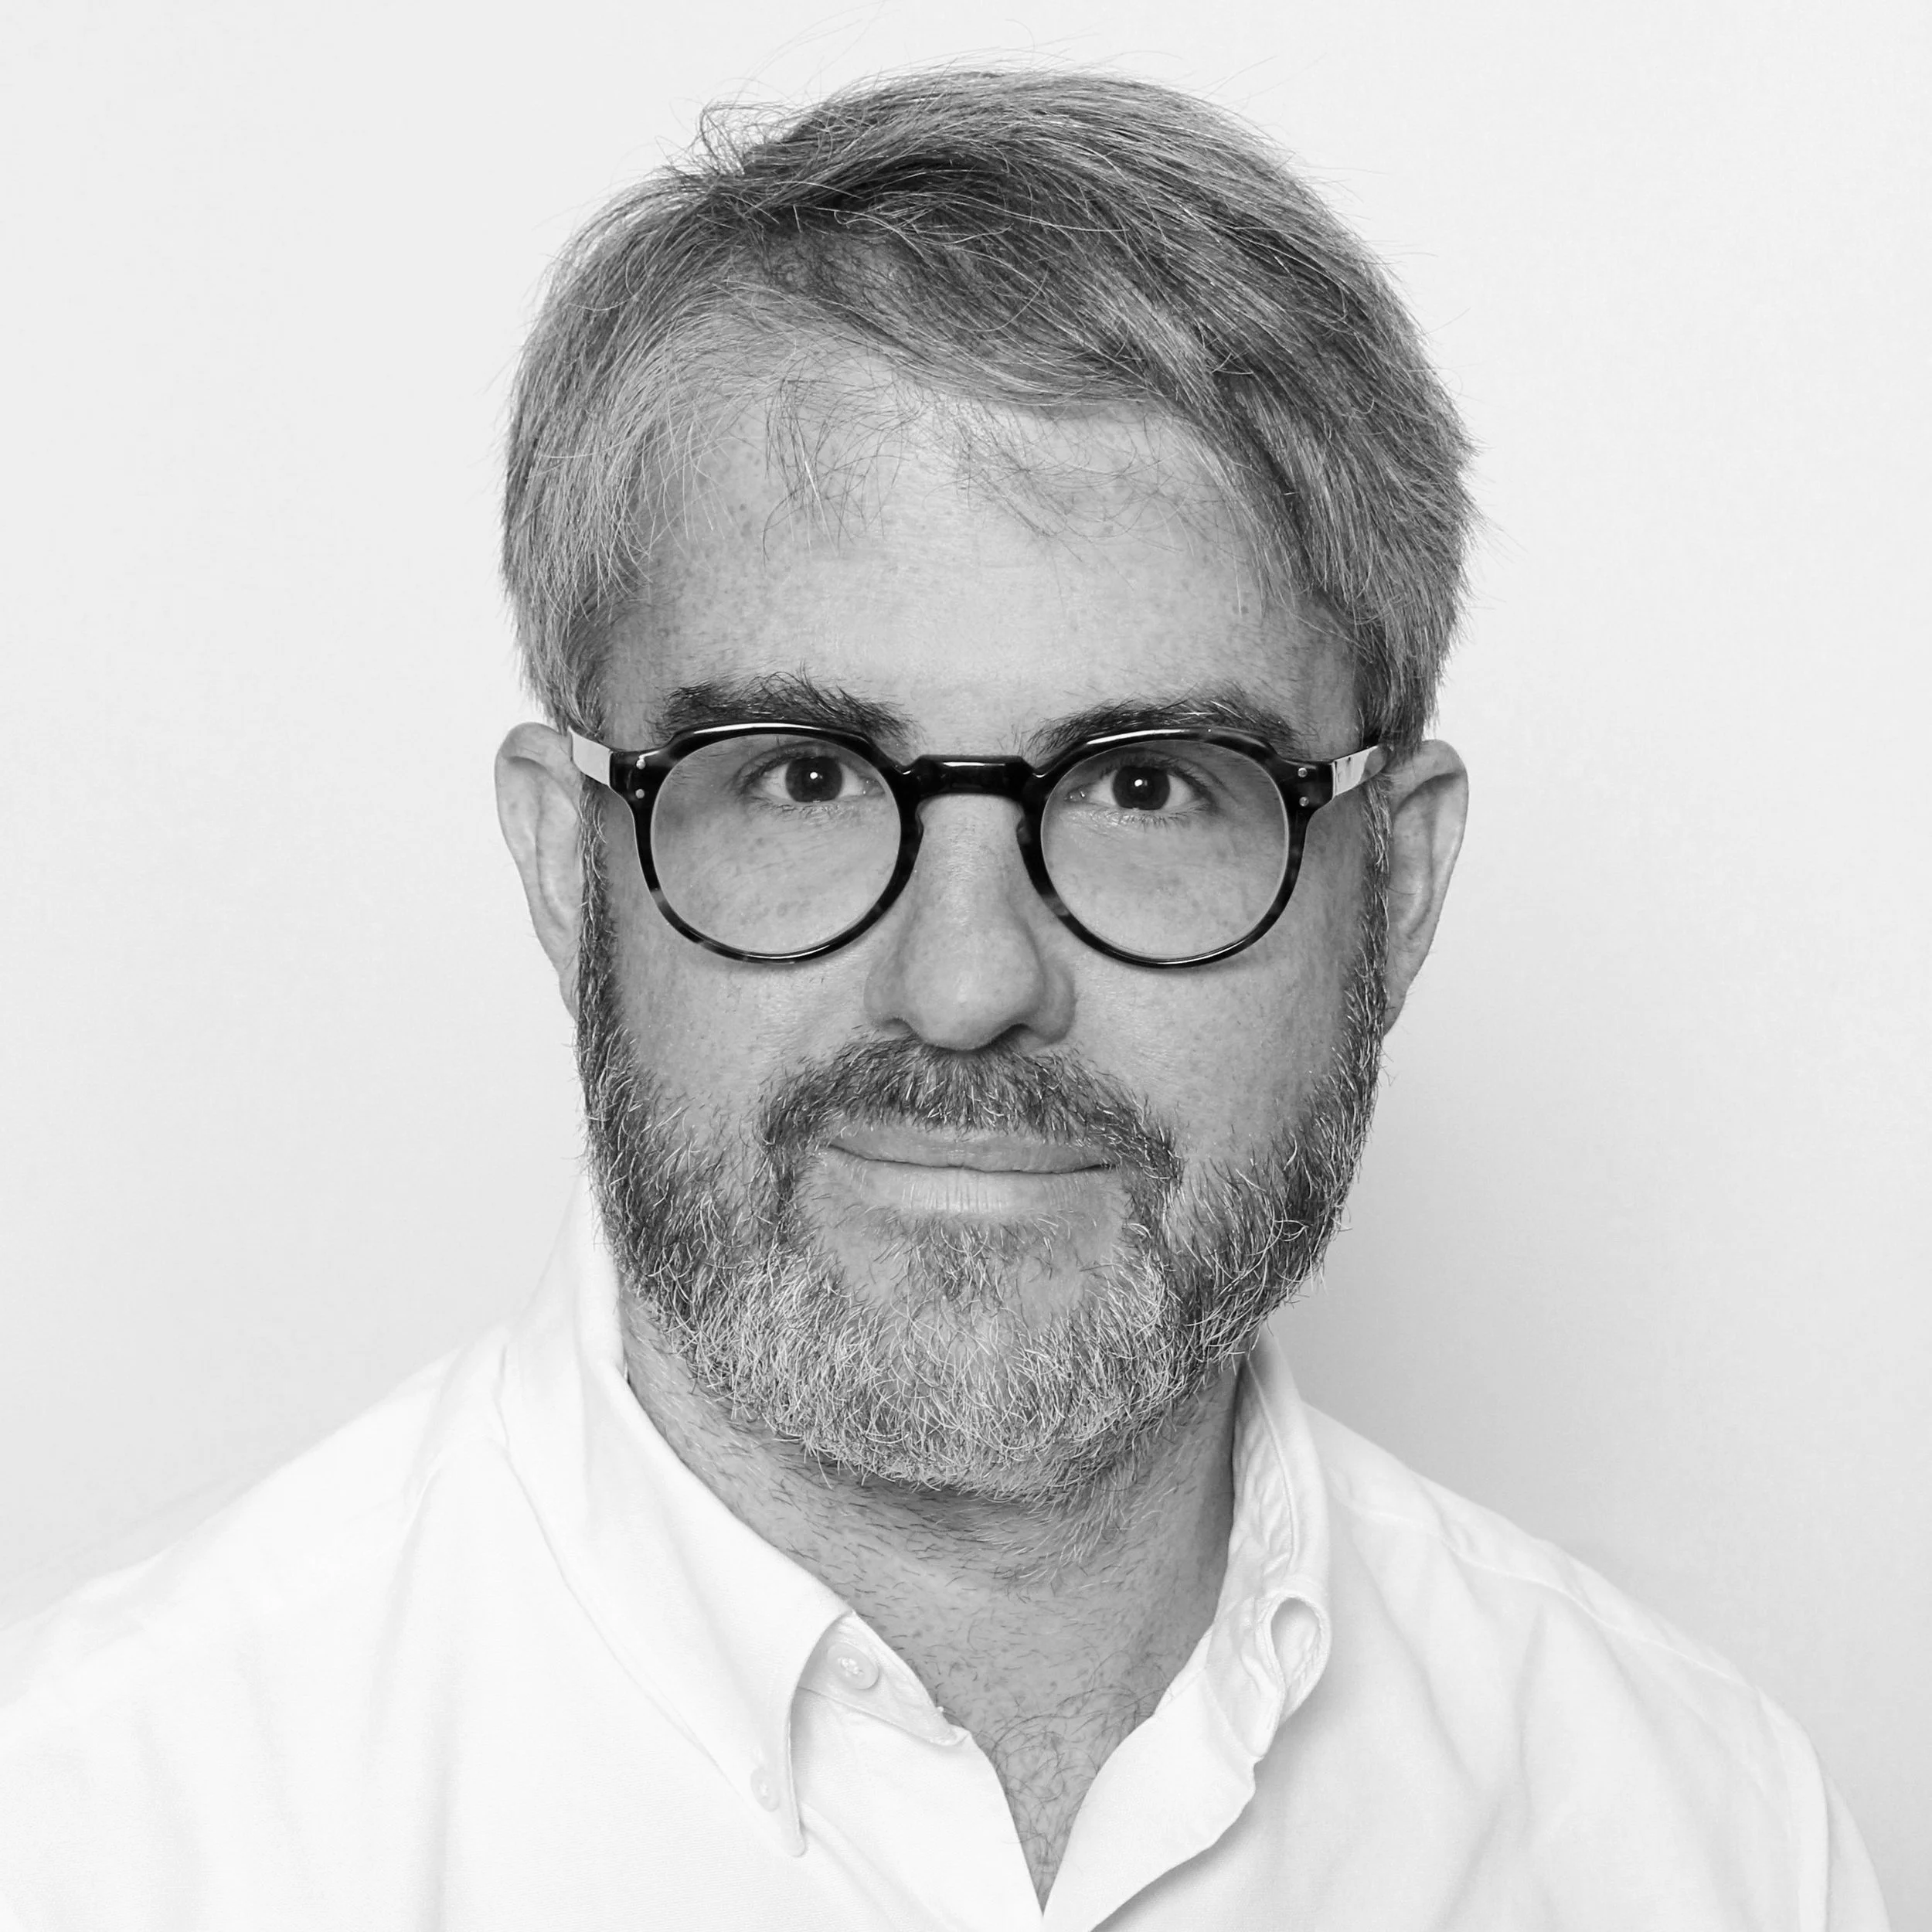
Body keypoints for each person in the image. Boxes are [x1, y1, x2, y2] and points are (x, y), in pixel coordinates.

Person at [0, 63, 1888, 1931]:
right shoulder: (98, 1837)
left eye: (1145, 784)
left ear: (1388, 888)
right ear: (568, 866)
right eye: (806, 774)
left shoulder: (1698, 1841)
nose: (969, 981)